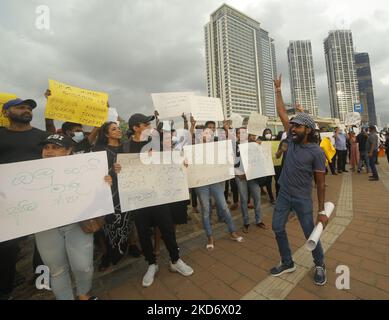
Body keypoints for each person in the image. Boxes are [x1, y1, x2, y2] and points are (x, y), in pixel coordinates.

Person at [117, 113, 193, 287]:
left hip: (160, 195)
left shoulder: (157, 143)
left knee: (167, 228)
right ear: (135, 127)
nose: (150, 127)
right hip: (138, 198)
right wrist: (117, 168)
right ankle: (151, 264)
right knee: (143, 233)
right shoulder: (125, 147)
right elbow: (121, 171)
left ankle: (175, 261)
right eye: (145, 124)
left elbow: (171, 161)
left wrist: (181, 163)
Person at [34, 134, 112, 300]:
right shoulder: (29, 174)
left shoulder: (84, 169)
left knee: (83, 266)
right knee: (56, 270)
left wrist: (104, 183)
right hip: (45, 228)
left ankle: (83, 293)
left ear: (69, 151)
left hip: (78, 224)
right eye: (46, 147)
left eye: (55, 147)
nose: (48, 151)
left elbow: (97, 195)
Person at [271, 75, 328, 286]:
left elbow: (321, 184)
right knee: (277, 228)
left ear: (308, 130)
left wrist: (321, 210)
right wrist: (278, 90)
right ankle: (287, 262)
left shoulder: (316, 152)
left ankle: (320, 264)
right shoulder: (292, 141)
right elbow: (281, 113)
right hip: (284, 194)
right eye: (291, 126)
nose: (292, 128)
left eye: (297, 126)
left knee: (310, 234)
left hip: (303, 198)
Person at [0, 98, 50, 300]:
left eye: (29, 108)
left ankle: (41, 278)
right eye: (20, 107)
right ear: (6, 112)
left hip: (41, 199)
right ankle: (5, 287)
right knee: (7, 247)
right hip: (7, 203)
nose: (26, 110)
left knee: (44, 242)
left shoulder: (43, 136)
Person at [190, 116, 244, 251]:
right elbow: (187, 147)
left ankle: (232, 232)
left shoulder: (217, 145)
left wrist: (226, 128)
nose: (209, 134)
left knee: (224, 206)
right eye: (206, 131)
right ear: (201, 134)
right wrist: (192, 125)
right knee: (206, 210)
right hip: (201, 183)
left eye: (211, 132)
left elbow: (231, 142)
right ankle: (209, 237)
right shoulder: (194, 146)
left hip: (215, 181)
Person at [93, 122, 133, 270]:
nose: (118, 130)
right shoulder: (98, 150)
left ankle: (131, 245)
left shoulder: (126, 147)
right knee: (108, 223)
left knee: (127, 219)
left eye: (118, 128)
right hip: (109, 191)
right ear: (106, 134)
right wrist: (110, 171)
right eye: (113, 129)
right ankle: (107, 254)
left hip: (126, 189)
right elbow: (94, 171)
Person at [234, 128, 266, 233]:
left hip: (253, 176)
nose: (240, 134)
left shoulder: (252, 144)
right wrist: (239, 173)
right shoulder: (233, 146)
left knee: (257, 197)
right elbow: (231, 162)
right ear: (236, 135)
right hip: (240, 176)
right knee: (243, 200)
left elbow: (258, 158)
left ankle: (259, 220)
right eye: (238, 133)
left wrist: (259, 145)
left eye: (243, 132)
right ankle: (246, 222)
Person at [259, 128, 275, 204]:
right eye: (266, 133)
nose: (268, 134)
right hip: (265, 165)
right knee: (268, 182)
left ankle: (262, 189)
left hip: (273, 165)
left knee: (271, 181)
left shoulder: (273, 142)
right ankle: (271, 198)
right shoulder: (261, 142)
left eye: (269, 133)